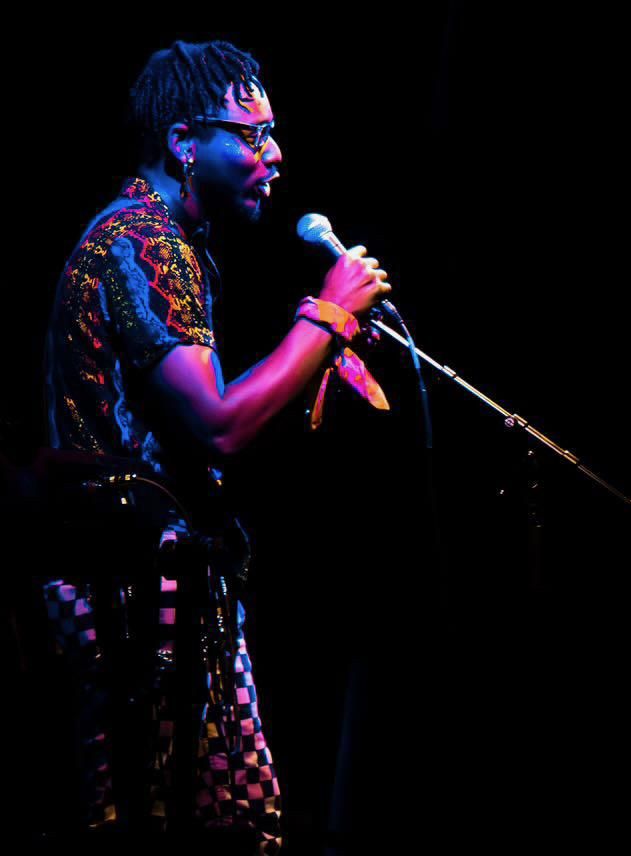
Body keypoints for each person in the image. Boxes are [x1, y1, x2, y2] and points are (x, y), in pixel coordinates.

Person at [41, 40, 391, 854]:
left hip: (148, 590)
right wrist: (326, 317)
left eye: (273, 133)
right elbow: (221, 426)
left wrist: (318, 357)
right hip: (132, 605)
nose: (275, 153)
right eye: (252, 134)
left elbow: (199, 436)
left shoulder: (163, 241)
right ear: (184, 142)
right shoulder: (144, 241)